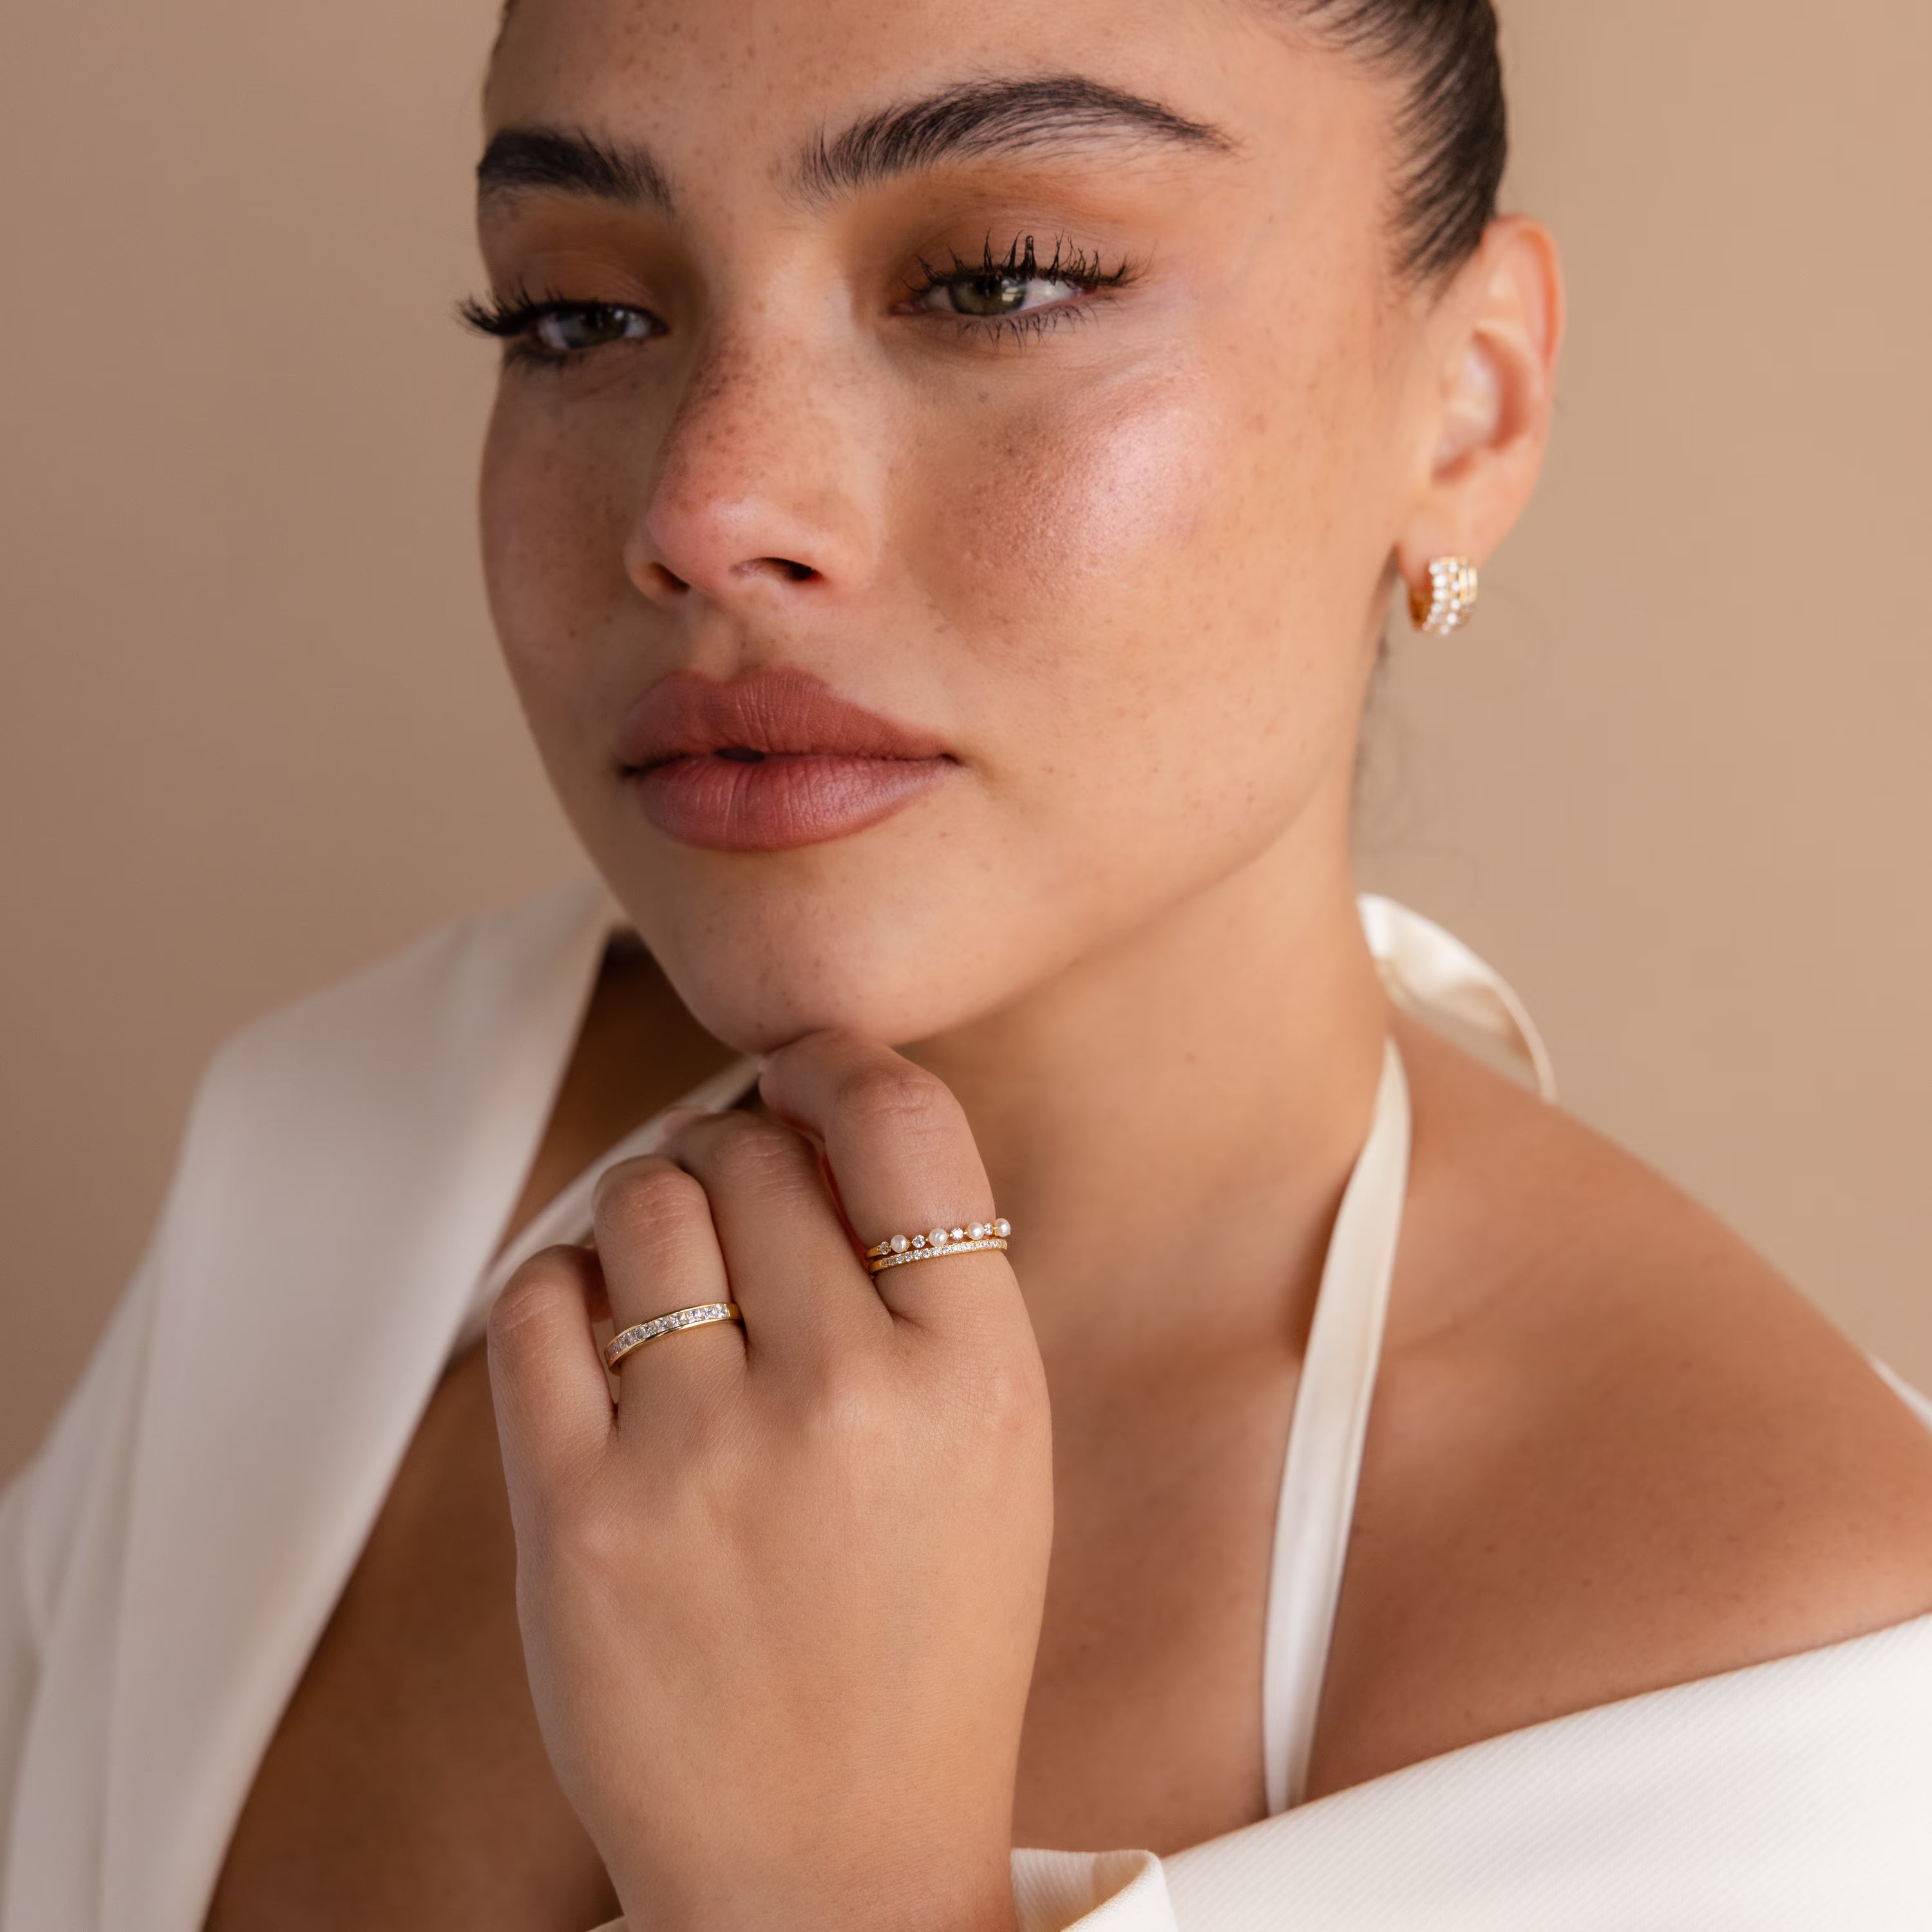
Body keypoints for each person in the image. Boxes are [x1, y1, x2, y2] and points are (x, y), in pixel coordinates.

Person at [6, 0, 1932, 1926]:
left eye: (1001, 282)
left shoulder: (1799, 1718)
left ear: (1473, 400)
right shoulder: (356, 1149)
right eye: (578, 311)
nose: (706, 511)